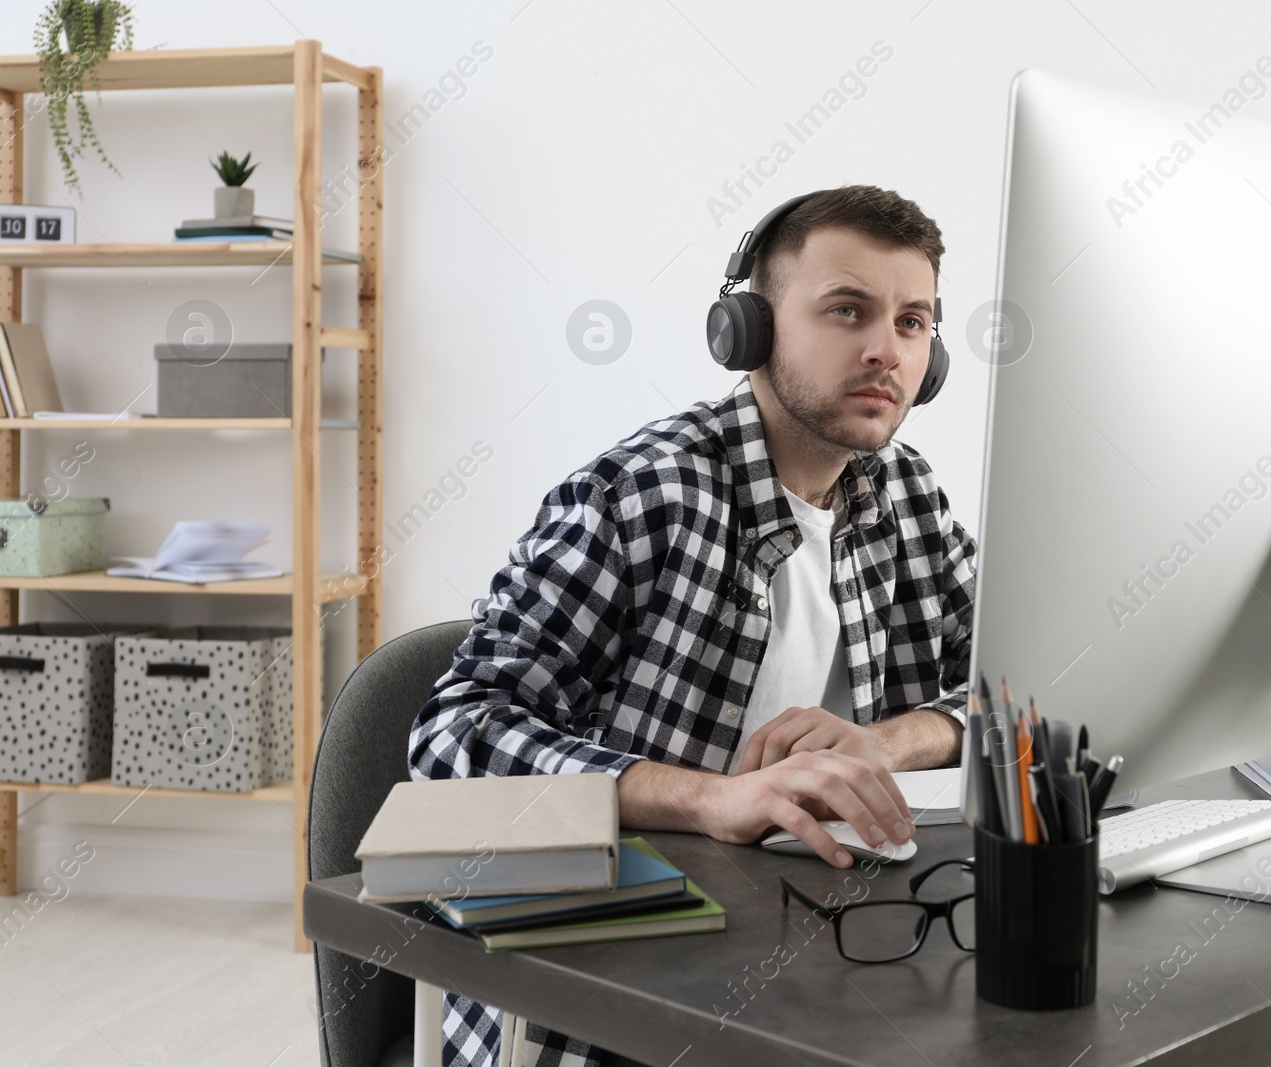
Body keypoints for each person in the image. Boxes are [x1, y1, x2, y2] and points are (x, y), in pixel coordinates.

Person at [409, 184, 978, 1067]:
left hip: (834, 965)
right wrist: (713, 797)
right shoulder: (643, 493)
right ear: (746, 330)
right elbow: (455, 735)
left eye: (913, 322)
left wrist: (887, 743)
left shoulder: (908, 495)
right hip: (608, 995)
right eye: (847, 310)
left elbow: (1019, 685)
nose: (885, 349)